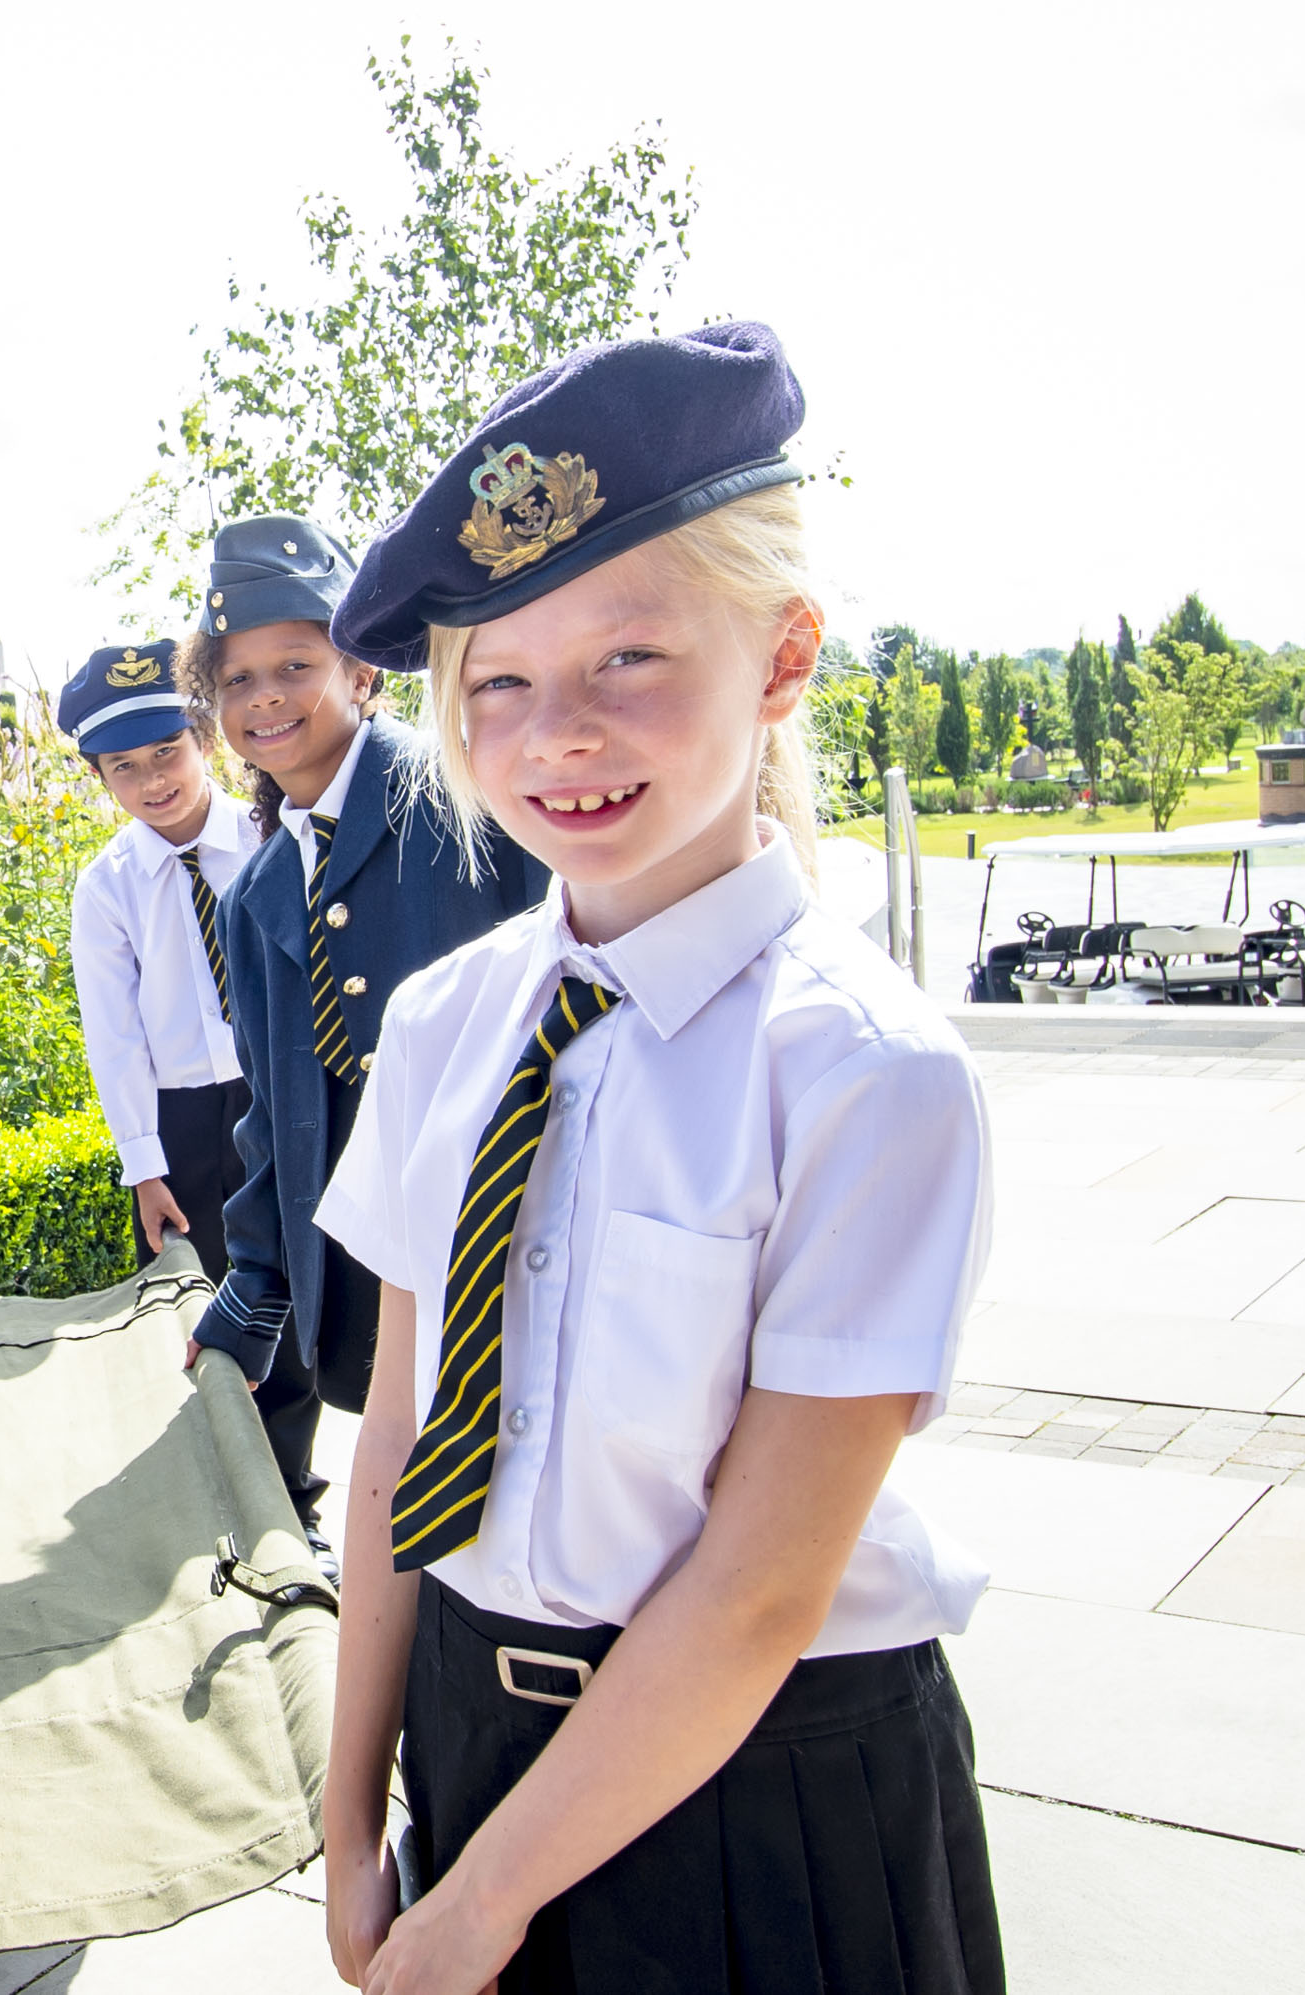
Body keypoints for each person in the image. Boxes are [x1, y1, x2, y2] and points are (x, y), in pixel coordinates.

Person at [312, 322, 1001, 1993]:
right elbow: (399, 1446)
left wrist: (480, 1917)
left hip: (761, 1787)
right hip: (470, 1748)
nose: (558, 736)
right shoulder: (444, 1026)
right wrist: (348, 1821)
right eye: (499, 683)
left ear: (783, 656)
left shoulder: (861, 1071)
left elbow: (761, 1591)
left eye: (629, 659)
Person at [177, 519, 546, 1550]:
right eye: (237, 678)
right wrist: (252, 1285)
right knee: (421, 1511)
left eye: (295, 664)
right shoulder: (255, 897)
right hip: (368, 1253)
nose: (264, 697)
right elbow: (268, 1113)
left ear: (363, 672)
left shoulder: (464, 798)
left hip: (506, 1224)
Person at [58, 639, 258, 1285]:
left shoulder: (271, 836)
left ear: (204, 738)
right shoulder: (107, 886)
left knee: (299, 1294)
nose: (152, 781)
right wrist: (145, 1167)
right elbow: (114, 1035)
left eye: (167, 752)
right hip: (181, 1123)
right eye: (124, 766)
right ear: (99, 775)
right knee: (189, 1297)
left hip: (281, 1091)